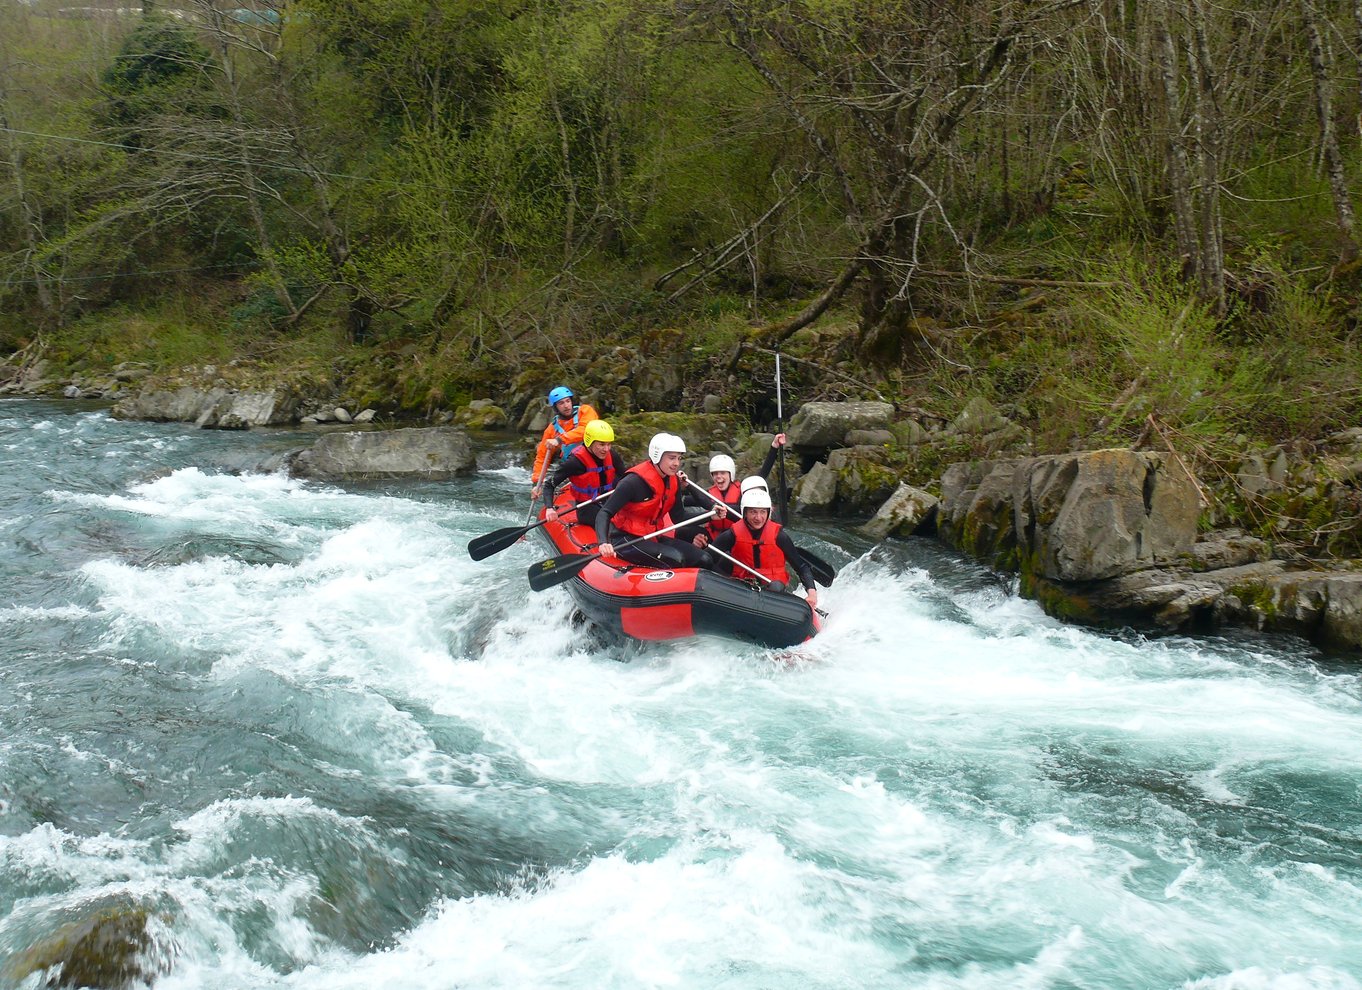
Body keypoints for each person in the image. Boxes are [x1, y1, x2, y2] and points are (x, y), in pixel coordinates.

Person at [595, 432, 715, 569]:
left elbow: (679, 517)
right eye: (672, 458)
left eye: (679, 458)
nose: (676, 463)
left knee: (704, 559)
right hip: (625, 540)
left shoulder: (673, 480)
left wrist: (711, 515)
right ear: (657, 456)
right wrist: (603, 542)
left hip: (652, 536)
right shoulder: (633, 482)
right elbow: (605, 512)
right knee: (676, 559)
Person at [709, 487, 818, 610]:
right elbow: (708, 558)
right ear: (745, 513)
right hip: (741, 588)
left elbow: (802, 567)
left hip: (771, 590)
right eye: (753, 512)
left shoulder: (780, 537)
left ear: (768, 513)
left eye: (762, 512)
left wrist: (812, 594)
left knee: (776, 587)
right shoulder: (732, 535)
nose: (758, 517)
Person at [542, 419, 624, 530]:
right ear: (590, 442)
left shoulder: (612, 455)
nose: (606, 449)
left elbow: (624, 476)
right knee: (613, 525)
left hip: (609, 500)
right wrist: (549, 508)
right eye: (602, 444)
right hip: (587, 507)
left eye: (609, 444)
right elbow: (549, 485)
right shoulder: (574, 462)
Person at [530, 386, 599, 499]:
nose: (566, 405)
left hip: (595, 459)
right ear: (556, 407)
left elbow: (586, 429)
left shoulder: (585, 411)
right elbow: (542, 457)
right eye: (561, 403)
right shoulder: (552, 429)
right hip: (575, 466)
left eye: (568, 401)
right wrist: (536, 483)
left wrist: (559, 440)